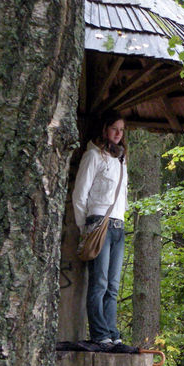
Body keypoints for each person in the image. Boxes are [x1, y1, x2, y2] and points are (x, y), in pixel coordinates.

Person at [72, 111, 128, 346]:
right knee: (100, 282)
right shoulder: (93, 155)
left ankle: (111, 333)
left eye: (122, 130)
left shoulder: (121, 159)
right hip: (98, 223)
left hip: (118, 226)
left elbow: (122, 197)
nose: (118, 133)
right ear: (105, 128)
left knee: (113, 286)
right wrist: (84, 228)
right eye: (114, 128)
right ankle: (99, 333)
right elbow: (79, 194)